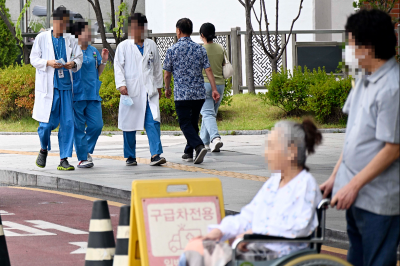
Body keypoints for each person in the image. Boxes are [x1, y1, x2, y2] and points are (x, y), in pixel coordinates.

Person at [179, 119, 323, 265]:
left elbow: (297, 228)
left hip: (279, 253)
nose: (266, 153)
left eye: (271, 146)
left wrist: (254, 234)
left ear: (291, 152)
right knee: (196, 247)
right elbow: (248, 216)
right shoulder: (274, 182)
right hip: (258, 248)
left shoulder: (305, 184)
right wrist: (221, 231)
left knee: (197, 254)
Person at [320, 10, 399, 266]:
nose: (348, 49)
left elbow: (393, 148)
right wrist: (335, 177)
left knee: (376, 260)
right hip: (351, 192)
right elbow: (354, 136)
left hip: (377, 198)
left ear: (367, 47)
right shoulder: (364, 82)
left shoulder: (393, 88)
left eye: (351, 42)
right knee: (356, 257)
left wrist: (353, 185)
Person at [31, 6, 83, 171]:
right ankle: (43, 148)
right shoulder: (42, 38)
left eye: (66, 23)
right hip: (48, 87)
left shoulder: (71, 39)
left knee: (68, 123)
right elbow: (34, 59)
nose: (63, 27)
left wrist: (73, 64)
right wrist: (48, 62)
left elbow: (79, 56)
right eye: (61, 23)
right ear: (54, 21)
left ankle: (64, 159)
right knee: (45, 125)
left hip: (66, 87)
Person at [164, 18, 220, 164]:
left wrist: (167, 88)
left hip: (182, 94)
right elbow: (208, 69)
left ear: (178, 31)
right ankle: (188, 152)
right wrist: (214, 89)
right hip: (198, 94)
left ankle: (199, 145)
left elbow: (167, 73)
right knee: (193, 123)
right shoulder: (200, 49)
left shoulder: (172, 49)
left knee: (184, 124)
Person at [114, 13, 166, 166]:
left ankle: (156, 154)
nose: (139, 30)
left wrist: (159, 86)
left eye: (142, 27)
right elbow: (118, 67)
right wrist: (121, 84)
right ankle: (130, 156)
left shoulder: (151, 45)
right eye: (136, 27)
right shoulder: (123, 46)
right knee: (129, 124)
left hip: (149, 91)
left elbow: (157, 67)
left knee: (153, 121)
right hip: (131, 91)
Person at [71, 21, 108, 168]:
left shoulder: (94, 51)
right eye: (87, 31)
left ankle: (83, 149)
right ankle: (83, 157)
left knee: (97, 125)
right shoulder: (72, 51)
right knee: (78, 127)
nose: (90, 34)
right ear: (78, 34)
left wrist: (104, 61)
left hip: (92, 93)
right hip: (77, 94)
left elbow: (98, 72)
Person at [199, 23, 225, 152]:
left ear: (202, 35)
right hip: (220, 84)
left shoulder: (201, 49)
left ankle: (215, 138)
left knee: (207, 113)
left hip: (205, 84)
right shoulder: (220, 48)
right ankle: (204, 142)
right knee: (209, 113)